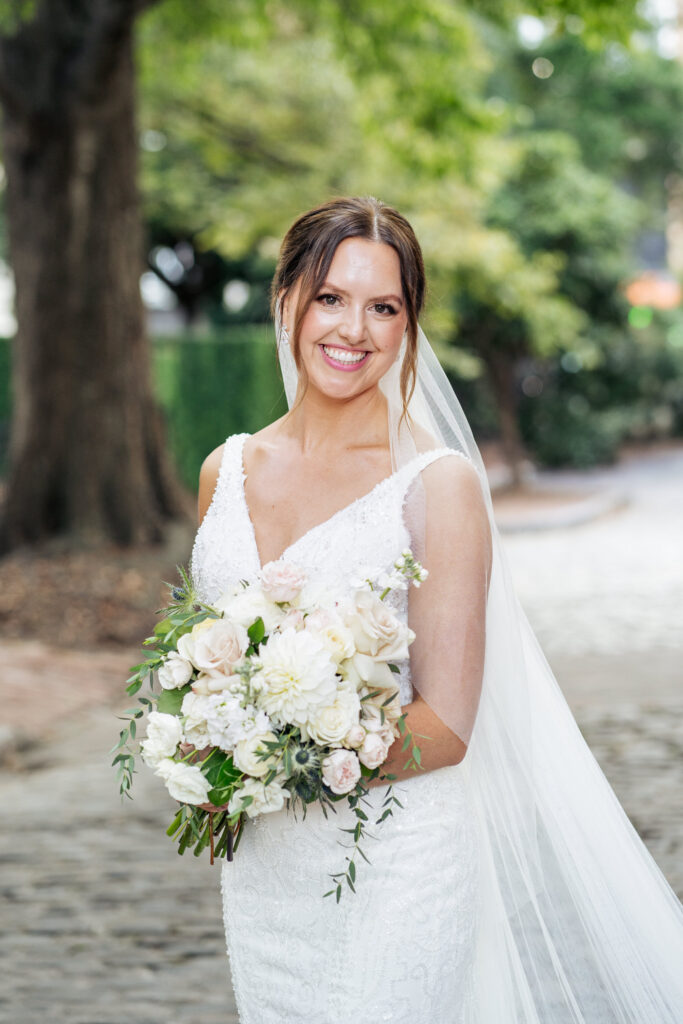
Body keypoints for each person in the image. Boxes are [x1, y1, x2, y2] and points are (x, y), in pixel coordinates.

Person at [189, 196, 683, 1023]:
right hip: (268, 876)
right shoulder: (224, 472)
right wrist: (205, 752)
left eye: (384, 307)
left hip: (396, 867)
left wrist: (275, 755)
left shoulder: (437, 484)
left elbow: (447, 725)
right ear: (285, 301)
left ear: (408, 326)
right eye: (330, 298)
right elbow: (210, 664)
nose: (354, 329)